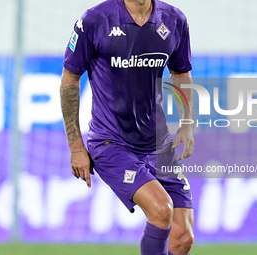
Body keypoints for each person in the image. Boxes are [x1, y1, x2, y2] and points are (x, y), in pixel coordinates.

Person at [60, 0, 195, 254]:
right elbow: (70, 80)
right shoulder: (94, 20)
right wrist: (75, 145)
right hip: (112, 144)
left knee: (183, 237)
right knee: (161, 209)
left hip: (158, 142)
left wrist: (187, 123)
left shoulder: (174, 19)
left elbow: (181, 73)